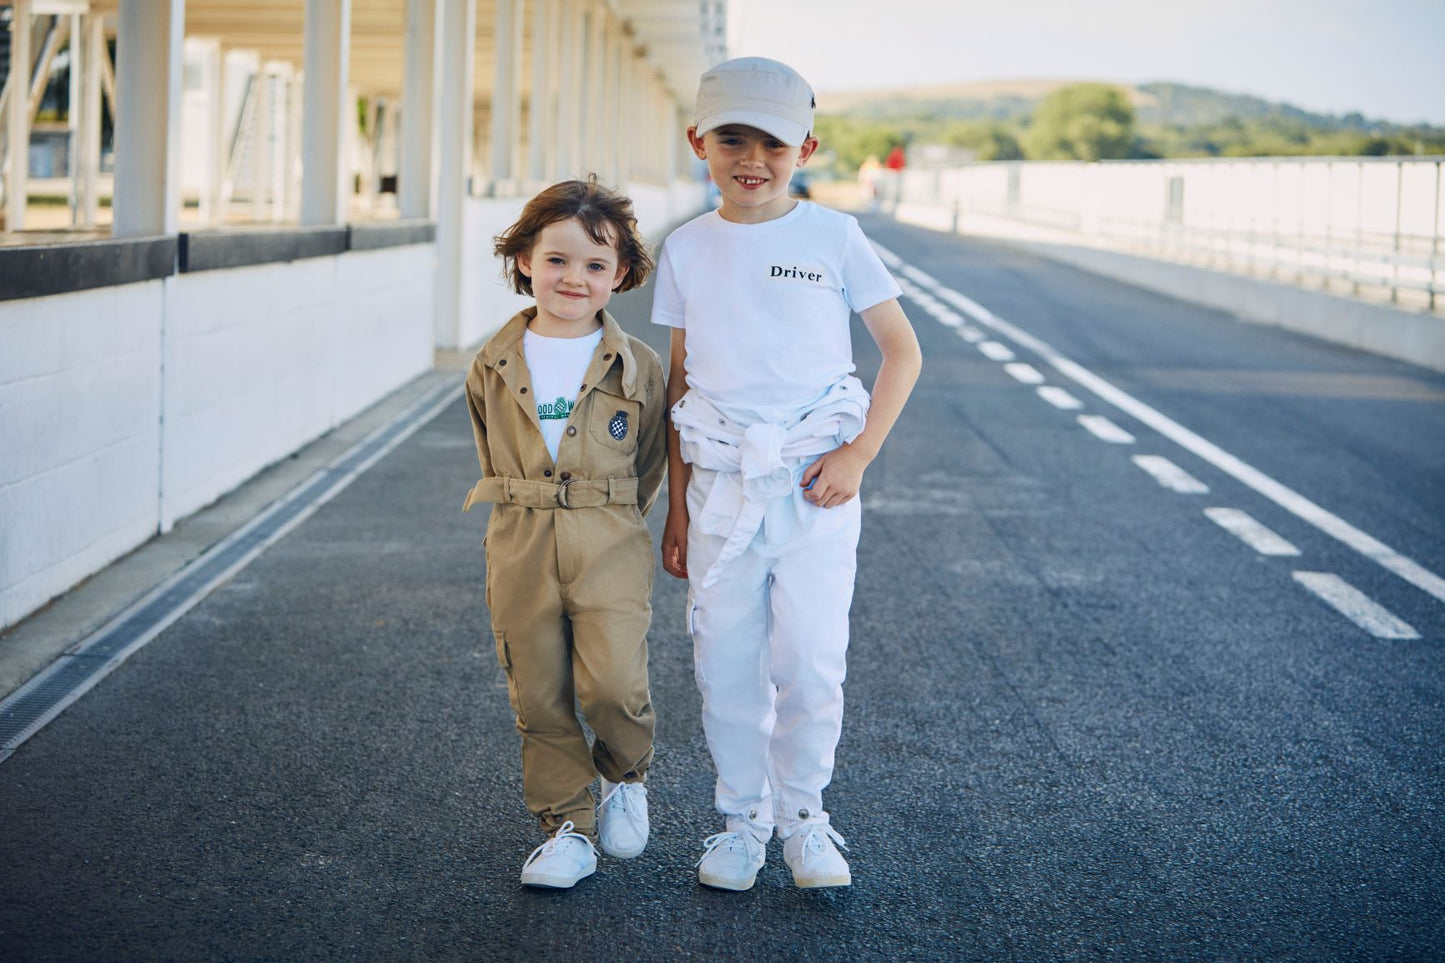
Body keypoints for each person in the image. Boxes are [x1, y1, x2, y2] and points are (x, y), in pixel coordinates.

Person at [652, 58, 922, 891]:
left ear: (805, 145)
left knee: (809, 659)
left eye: (772, 141)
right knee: (724, 662)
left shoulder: (833, 236)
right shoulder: (687, 246)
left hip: (814, 484)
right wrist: (676, 509)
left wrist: (857, 453)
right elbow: (680, 380)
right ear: (699, 140)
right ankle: (740, 821)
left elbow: (901, 353)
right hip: (719, 483)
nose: (751, 157)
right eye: (731, 137)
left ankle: (805, 815)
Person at [463, 176, 668, 889]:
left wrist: (602, 515)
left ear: (620, 274)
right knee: (538, 694)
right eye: (555, 259)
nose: (572, 278)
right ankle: (566, 828)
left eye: (594, 264)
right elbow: (491, 449)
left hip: (607, 535)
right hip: (519, 538)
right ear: (523, 259)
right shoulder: (491, 362)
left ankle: (625, 773)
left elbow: (648, 463)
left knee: (613, 680)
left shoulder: (638, 365)